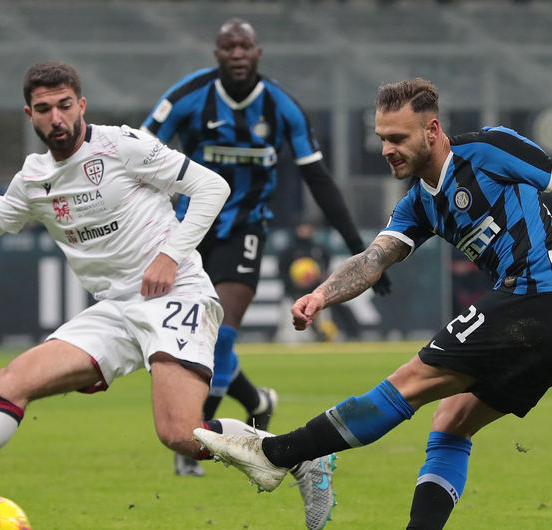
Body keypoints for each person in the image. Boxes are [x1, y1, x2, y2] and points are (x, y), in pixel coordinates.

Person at [194, 78, 552, 530]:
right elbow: (374, 260)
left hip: (542, 294)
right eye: (382, 138)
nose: (387, 149)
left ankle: (278, 454)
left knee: (413, 380)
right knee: (452, 420)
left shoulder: (488, 149)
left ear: (432, 130)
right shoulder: (419, 204)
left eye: (398, 138)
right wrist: (322, 295)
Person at [0, 61, 336, 530]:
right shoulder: (34, 179)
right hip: (115, 310)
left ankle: (300, 456)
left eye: (65, 105)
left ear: (81, 105)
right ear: (30, 115)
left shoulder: (123, 145)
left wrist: (170, 255)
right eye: (44, 109)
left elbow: (212, 186)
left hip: (177, 294)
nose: (56, 118)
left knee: (179, 434)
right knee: (12, 380)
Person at [141, 18, 391, 476]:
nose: (237, 54)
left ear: (258, 53)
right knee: (195, 337)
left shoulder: (281, 107)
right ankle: (256, 402)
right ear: (217, 54)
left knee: (222, 336)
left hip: (246, 230)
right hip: (189, 232)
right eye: (228, 47)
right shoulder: (187, 97)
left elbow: (318, 178)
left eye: (245, 47)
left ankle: (195, 436)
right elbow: (138, 152)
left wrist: (361, 250)